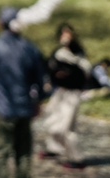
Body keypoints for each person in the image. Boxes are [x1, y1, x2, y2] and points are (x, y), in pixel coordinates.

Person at [0, 7, 49, 178]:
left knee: (0, 152)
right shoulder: (30, 49)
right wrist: (38, 101)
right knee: (23, 152)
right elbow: (40, 79)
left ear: (1, 24)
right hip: (25, 109)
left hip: (2, 108)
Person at [39, 22, 92, 171]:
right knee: (51, 119)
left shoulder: (78, 54)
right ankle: (54, 148)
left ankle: (77, 158)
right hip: (60, 92)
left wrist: (68, 74)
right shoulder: (59, 52)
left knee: (66, 127)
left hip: (72, 93)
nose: (65, 37)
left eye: (68, 34)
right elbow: (50, 69)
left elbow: (84, 73)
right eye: (63, 34)